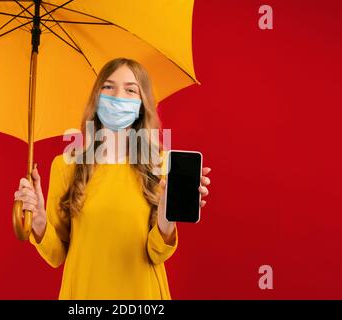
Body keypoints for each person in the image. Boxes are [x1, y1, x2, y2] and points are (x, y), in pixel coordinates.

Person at [14, 57, 212, 299]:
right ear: (96, 97)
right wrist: (40, 221)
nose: (118, 96)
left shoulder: (160, 164)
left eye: (130, 89)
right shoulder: (66, 166)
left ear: (142, 104)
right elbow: (56, 256)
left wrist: (166, 215)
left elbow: (157, 253)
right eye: (109, 87)